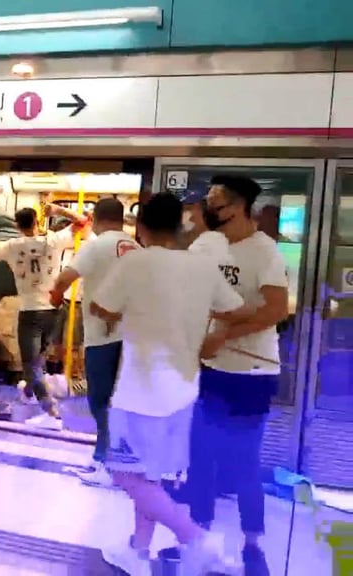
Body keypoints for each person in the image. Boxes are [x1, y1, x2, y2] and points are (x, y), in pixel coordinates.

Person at [90, 192, 251, 576]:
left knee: (125, 473)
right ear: (180, 227)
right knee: (150, 474)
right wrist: (211, 333)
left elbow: (102, 307)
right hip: (183, 390)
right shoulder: (202, 267)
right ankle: (138, 551)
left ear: (141, 228)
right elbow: (235, 309)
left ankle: (195, 537)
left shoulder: (136, 263)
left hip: (139, 391)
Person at [188, 176, 289, 572]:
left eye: (216, 202)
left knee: (243, 461)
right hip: (212, 368)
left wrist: (227, 332)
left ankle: (252, 540)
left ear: (238, 206)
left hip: (252, 371)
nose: (209, 208)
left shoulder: (264, 251)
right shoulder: (207, 247)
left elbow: (277, 308)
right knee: (201, 455)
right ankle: (199, 533)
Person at [50, 198, 139, 488]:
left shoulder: (96, 245)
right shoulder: (136, 247)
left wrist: (55, 294)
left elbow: (66, 277)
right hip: (133, 337)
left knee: (100, 401)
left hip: (102, 336)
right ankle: (112, 457)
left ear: (97, 218)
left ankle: (105, 462)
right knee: (121, 400)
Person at [0, 203, 88, 429]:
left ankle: (50, 411)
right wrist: (57, 210)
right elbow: (82, 221)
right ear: (37, 222)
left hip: (30, 311)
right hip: (52, 310)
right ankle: (30, 392)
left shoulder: (11, 246)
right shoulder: (51, 241)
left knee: (30, 363)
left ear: (17, 226)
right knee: (39, 359)